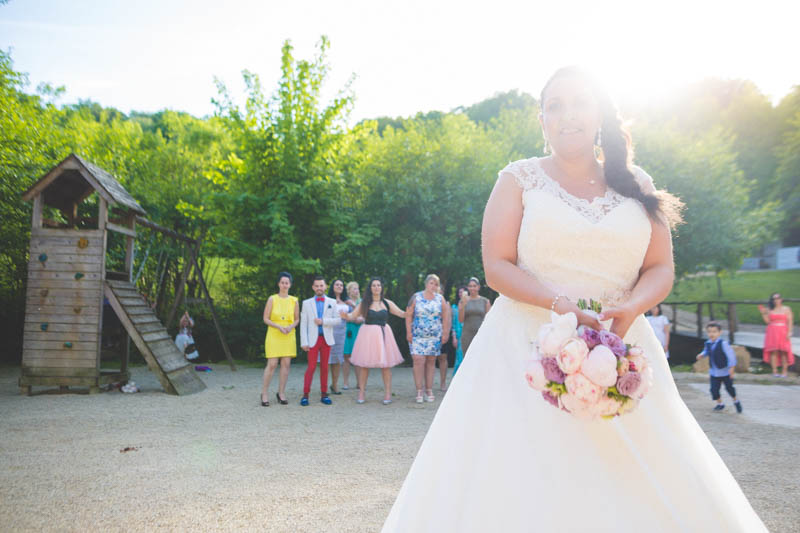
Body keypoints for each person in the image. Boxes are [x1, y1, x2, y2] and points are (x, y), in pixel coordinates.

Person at [382, 67, 766, 532]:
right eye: (555, 106)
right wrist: (561, 305)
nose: (568, 115)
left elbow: (661, 267)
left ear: (600, 112)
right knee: (523, 475)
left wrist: (631, 307)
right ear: (541, 119)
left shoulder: (637, 181)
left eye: (580, 103)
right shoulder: (518, 179)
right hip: (524, 343)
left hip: (621, 339)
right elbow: (497, 266)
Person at [340, 277, 406, 404]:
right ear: (370, 288)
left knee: (386, 366)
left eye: (378, 285)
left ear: (381, 288)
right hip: (368, 335)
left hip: (384, 335)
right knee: (365, 365)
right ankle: (361, 392)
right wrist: (345, 316)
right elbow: (352, 316)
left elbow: (401, 313)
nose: (376, 287)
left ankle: (387, 394)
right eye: (374, 285)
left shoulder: (387, 303)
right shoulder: (364, 303)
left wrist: (411, 311)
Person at [406, 274, 451, 404]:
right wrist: (408, 332)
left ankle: (429, 390)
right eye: (431, 283)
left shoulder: (440, 298)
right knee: (418, 360)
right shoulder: (416, 297)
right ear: (426, 284)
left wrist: (445, 333)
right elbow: (408, 315)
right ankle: (419, 390)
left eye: (436, 284)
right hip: (417, 335)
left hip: (434, 336)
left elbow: (446, 316)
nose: (434, 286)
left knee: (431, 361)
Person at [299, 276, 341, 406]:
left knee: (324, 367)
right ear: (313, 287)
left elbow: (338, 320)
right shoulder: (306, 303)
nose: (319, 288)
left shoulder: (332, 302)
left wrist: (324, 321)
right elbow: (303, 324)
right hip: (312, 340)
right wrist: (303, 342)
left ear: (325, 286)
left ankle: (324, 394)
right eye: (316, 286)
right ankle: (305, 395)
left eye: (321, 285)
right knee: (311, 367)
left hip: (326, 340)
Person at [260, 272, 299, 406]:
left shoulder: (294, 300)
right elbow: (265, 318)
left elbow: (297, 319)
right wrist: (278, 326)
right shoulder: (272, 299)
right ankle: (264, 393)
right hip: (274, 333)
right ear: (278, 284)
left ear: (290, 285)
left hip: (288, 334)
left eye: (287, 283)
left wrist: (290, 327)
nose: (284, 285)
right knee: (272, 364)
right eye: (282, 282)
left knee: (286, 364)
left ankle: (281, 393)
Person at [696, 321, 742, 413]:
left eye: (714, 331)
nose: (711, 334)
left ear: (720, 332)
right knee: (714, 389)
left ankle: (736, 400)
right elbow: (706, 351)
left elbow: (731, 356)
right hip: (714, 372)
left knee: (729, 388)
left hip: (725, 371)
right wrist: (701, 355)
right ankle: (720, 404)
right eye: (709, 332)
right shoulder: (708, 343)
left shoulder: (723, 343)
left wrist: (731, 369)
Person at [758, 293, 794, 377]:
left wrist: (789, 332)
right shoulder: (769, 309)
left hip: (783, 331)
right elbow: (767, 322)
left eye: (778, 298)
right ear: (772, 300)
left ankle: (784, 372)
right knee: (773, 352)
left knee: (784, 352)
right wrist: (763, 313)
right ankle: (775, 371)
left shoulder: (786, 309)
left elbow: (790, 321)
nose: (776, 300)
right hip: (772, 331)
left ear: (781, 299)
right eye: (774, 299)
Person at [325, 279, 350, 394]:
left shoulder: (346, 302)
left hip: (341, 332)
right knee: (326, 359)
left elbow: (354, 313)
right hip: (329, 330)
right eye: (337, 284)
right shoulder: (327, 300)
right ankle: (323, 386)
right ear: (332, 286)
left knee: (337, 359)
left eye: (341, 285)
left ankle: (334, 385)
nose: (339, 286)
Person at [457, 277, 491, 357]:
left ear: (478, 287)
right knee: (467, 359)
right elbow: (461, 320)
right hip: (467, 335)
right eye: (470, 286)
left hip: (481, 335)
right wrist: (463, 305)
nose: (472, 288)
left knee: (481, 359)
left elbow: (489, 321)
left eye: (474, 286)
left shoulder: (485, 301)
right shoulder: (462, 301)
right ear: (468, 288)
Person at [342, 281, 364, 390]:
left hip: (359, 331)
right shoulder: (345, 302)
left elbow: (365, 316)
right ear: (349, 290)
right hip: (348, 331)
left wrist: (361, 319)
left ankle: (359, 382)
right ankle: (345, 383)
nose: (356, 290)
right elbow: (343, 316)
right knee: (347, 357)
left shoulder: (362, 302)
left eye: (357, 288)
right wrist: (354, 318)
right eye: (354, 288)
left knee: (358, 357)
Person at [437, 285, 453, 391]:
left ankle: (443, 383)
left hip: (442, 333)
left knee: (443, 358)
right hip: (429, 334)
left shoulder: (446, 304)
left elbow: (449, 319)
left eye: (440, 289)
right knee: (428, 359)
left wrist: (446, 333)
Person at [450, 286, 466, 376]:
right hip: (459, 334)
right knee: (459, 357)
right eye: (460, 292)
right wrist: (454, 337)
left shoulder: (470, 305)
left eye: (463, 292)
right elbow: (453, 323)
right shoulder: (454, 307)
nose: (461, 294)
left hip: (469, 333)